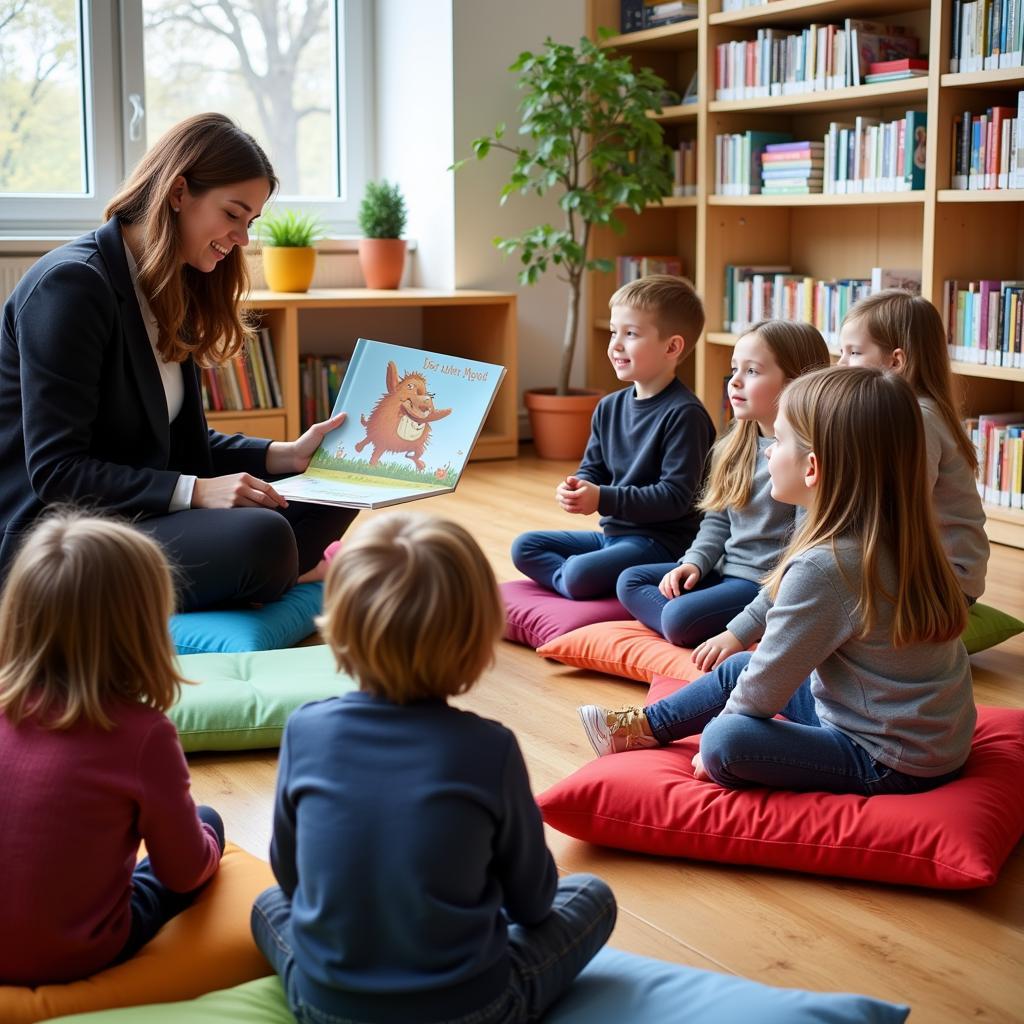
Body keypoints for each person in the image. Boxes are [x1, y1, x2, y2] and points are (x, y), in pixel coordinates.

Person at [252, 512, 616, 1024]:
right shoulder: (490, 748)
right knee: (592, 895)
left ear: (341, 627)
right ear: (475, 637)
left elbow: (290, 882)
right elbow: (534, 905)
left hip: (326, 1007)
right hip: (473, 1009)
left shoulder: (304, 729)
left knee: (266, 904)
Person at [0, 112, 356, 610]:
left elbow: (177, 444)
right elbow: (59, 472)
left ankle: (273, 572)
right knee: (264, 537)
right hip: (61, 541)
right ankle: (279, 570)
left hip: (136, 514)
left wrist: (287, 455)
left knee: (331, 493)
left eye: (250, 222)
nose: (243, 239)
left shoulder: (171, 285)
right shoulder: (70, 286)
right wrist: (196, 493)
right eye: (233, 214)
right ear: (178, 192)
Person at [578, 367, 976, 797]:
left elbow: (765, 688)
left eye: (778, 441)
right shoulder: (899, 532)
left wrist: (717, 743)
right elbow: (765, 661)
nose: (767, 453)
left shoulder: (827, 567)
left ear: (813, 469)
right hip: (927, 734)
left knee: (724, 742)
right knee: (738, 667)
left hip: (888, 757)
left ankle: (662, 732)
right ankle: (647, 726)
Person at [0, 512, 224, 985]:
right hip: (73, 955)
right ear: (143, 630)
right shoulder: (143, 735)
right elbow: (184, 874)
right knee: (209, 822)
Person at [617, 320, 829, 646]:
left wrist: (743, 626)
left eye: (753, 372)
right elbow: (717, 521)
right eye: (734, 369)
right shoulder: (732, 447)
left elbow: (799, 555)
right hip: (722, 570)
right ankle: (704, 624)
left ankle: (729, 628)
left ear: (795, 383)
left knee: (677, 618)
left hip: (760, 585)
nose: (735, 382)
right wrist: (694, 562)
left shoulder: (805, 460)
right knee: (630, 581)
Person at [511, 275, 715, 600]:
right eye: (613, 332)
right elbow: (593, 468)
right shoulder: (608, 407)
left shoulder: (685, 414)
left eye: (631, 334)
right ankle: (593, 579)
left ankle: (587, 580)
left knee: (579, 573)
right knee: (525, 546)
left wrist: (602, 498)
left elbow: (675, 497)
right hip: (613, 534)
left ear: (672, 347)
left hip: (660, 543)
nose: (616, 344)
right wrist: (577, 486)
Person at [837, 289, 988, 603]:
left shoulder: (918, 418)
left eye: (853, 353)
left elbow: (896, 509)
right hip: (920, 563)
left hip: (947, 579)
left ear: (895, 361)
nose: (840, 364)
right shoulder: (906, 411)